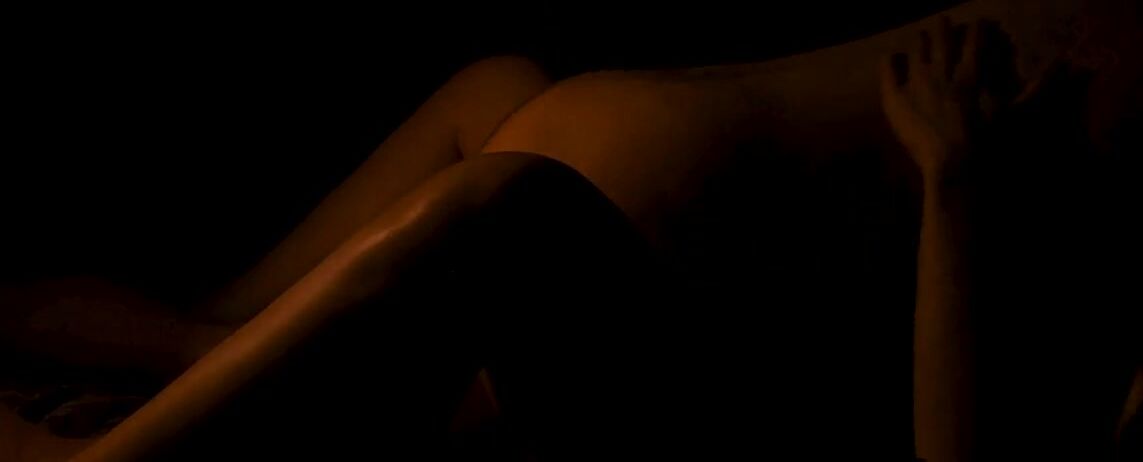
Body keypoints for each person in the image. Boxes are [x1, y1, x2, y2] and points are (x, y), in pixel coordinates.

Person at [1, 0, 1137, 460]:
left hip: (672, 376)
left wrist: (959, 191)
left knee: (508, 208)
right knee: (496, 92)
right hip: (630, 275)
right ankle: (215, 357)